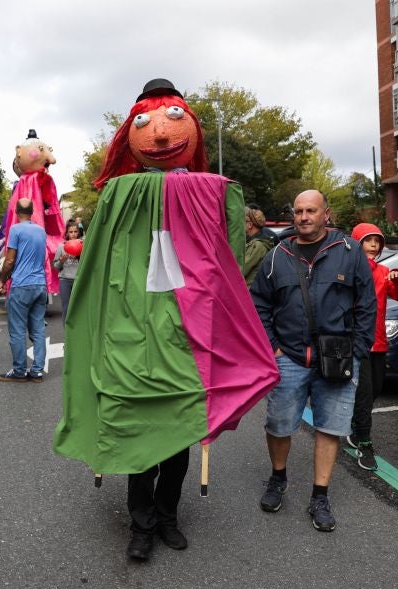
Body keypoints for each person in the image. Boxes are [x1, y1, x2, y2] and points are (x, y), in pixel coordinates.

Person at [54, 79, 277, 563]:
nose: (158, 135)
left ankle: (168, 515)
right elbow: (96, 261)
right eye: (145, 124)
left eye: (172, 120)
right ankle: (142, 524)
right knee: (137, 438)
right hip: (130, 335)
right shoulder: (119, 193)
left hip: (184, 337)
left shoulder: (212, 191)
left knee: (177, 441)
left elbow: (230, 260)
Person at [251, 189, 375, 532]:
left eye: (311, 211)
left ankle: (320, 495)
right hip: (289, 356)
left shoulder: (349, 252)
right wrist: (271, 345)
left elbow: (367, 303)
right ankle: (278, 478)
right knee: (277, 424)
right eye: (299, 211)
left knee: (330, 427)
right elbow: (258, 302)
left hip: (337, 357)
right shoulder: (278, 254)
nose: (304, 217)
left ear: (326, 214)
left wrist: (359, 349)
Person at [347, 223, 398, 470]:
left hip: (378, 342)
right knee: (364, 394)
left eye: (377, 242)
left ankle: (353, 425)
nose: (374, 245)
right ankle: (365, 442)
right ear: (356, 243)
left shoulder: (384, 272)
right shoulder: (349, 270)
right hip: (356, 341)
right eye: (368, 241)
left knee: (374, 391)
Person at [0, 198, 48, 382]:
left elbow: (10, 260)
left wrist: (2, 280)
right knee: (38, 330)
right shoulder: (41, 231)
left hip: (21, 285)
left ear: (16, 212)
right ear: (32, 212)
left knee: (18, 330)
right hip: (40, 284)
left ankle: (19, 371)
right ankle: (37, 371)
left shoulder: (15, 229)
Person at [52, 223, 81, 324]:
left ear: (79, 232)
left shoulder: (83, 245)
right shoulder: (61, 247)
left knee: (79, 307)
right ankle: (67, 330)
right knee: (66, 307)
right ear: (67, 233)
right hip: (65, 281)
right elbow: (55, 266)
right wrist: (61, 261)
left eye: (75, 232)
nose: (73, 234)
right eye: (71, 232)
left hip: (79, 280)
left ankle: (78, 330)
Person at [243, 206, 272, 287]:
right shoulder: (259, 242)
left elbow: (242, 269)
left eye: (243, 222)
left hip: (250, 292)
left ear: (250, 225)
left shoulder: (257, 245)